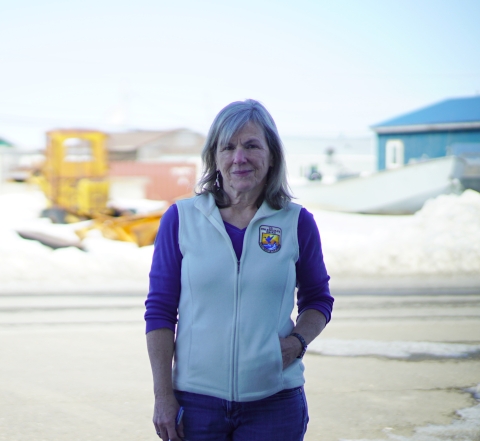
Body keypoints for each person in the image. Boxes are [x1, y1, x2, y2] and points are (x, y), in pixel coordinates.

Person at [145, 99, 333, 441]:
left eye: (251, 146)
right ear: (214, 158)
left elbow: (318, 299)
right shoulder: (181, 219)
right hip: (196, 405)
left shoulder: (296, 223)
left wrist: (297, 342)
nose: (239, 157)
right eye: (227, 147)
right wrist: (163, 395)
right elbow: (159, 311)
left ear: (271, 155)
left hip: (274, 404)